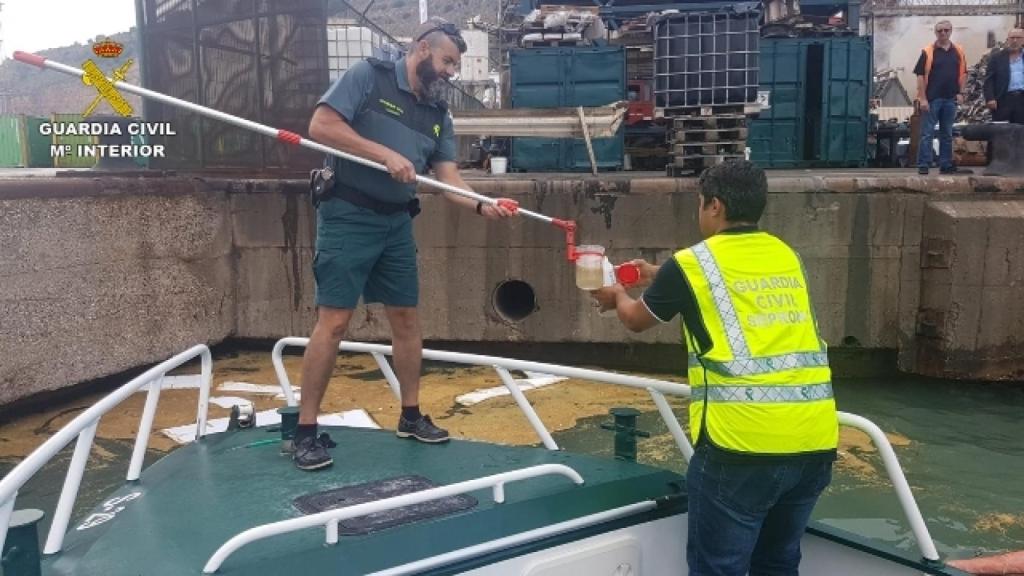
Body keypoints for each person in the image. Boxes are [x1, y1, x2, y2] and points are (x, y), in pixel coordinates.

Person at [591, 161, 839, 576]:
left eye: (701, 203)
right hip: (814, 443)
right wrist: (658, 273)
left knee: (718, 568)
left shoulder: (690, 265)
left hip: (740, 447)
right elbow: (735, 279)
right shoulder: (786, 255)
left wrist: (616, 294)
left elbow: (636, 319)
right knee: (778, 564)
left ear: (715, 207)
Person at [296, 18, 517, 471]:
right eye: (448, 61)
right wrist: (383, 154)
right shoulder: (367, 77)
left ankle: (410, 416)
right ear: (420, 50)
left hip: (397, 223)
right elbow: (320, 125)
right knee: (334, 322)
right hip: (347, 214)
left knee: (407, 319)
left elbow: (448, 178)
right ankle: (305, 431)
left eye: (456, 64)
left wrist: (482, 205)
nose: (453, 72)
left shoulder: (438, 116)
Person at [913, 20, 968, 175]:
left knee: (947, 133)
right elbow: (920, 76)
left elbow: (964, 73)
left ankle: (945, 163)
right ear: (935, 33)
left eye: (946, 30)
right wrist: (923, 98)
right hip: (932, 99)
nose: (943, 33)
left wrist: (961, 93)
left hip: (950, 99)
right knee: (927, 133)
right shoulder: (928, 51)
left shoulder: (958, 51)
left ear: (951, 31)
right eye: (939, 31)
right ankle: (924, 163)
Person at [983, 28, 1024, 124]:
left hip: (1022, 100)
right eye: (1012, 38)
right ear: (1008, 39)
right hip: (1003, 100)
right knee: (1001, 131)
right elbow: (989, 80)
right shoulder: (996, 57)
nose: (1015, 41)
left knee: (1021, 132)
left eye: (1018, 38)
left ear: (1023, 40)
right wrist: (990, 98)